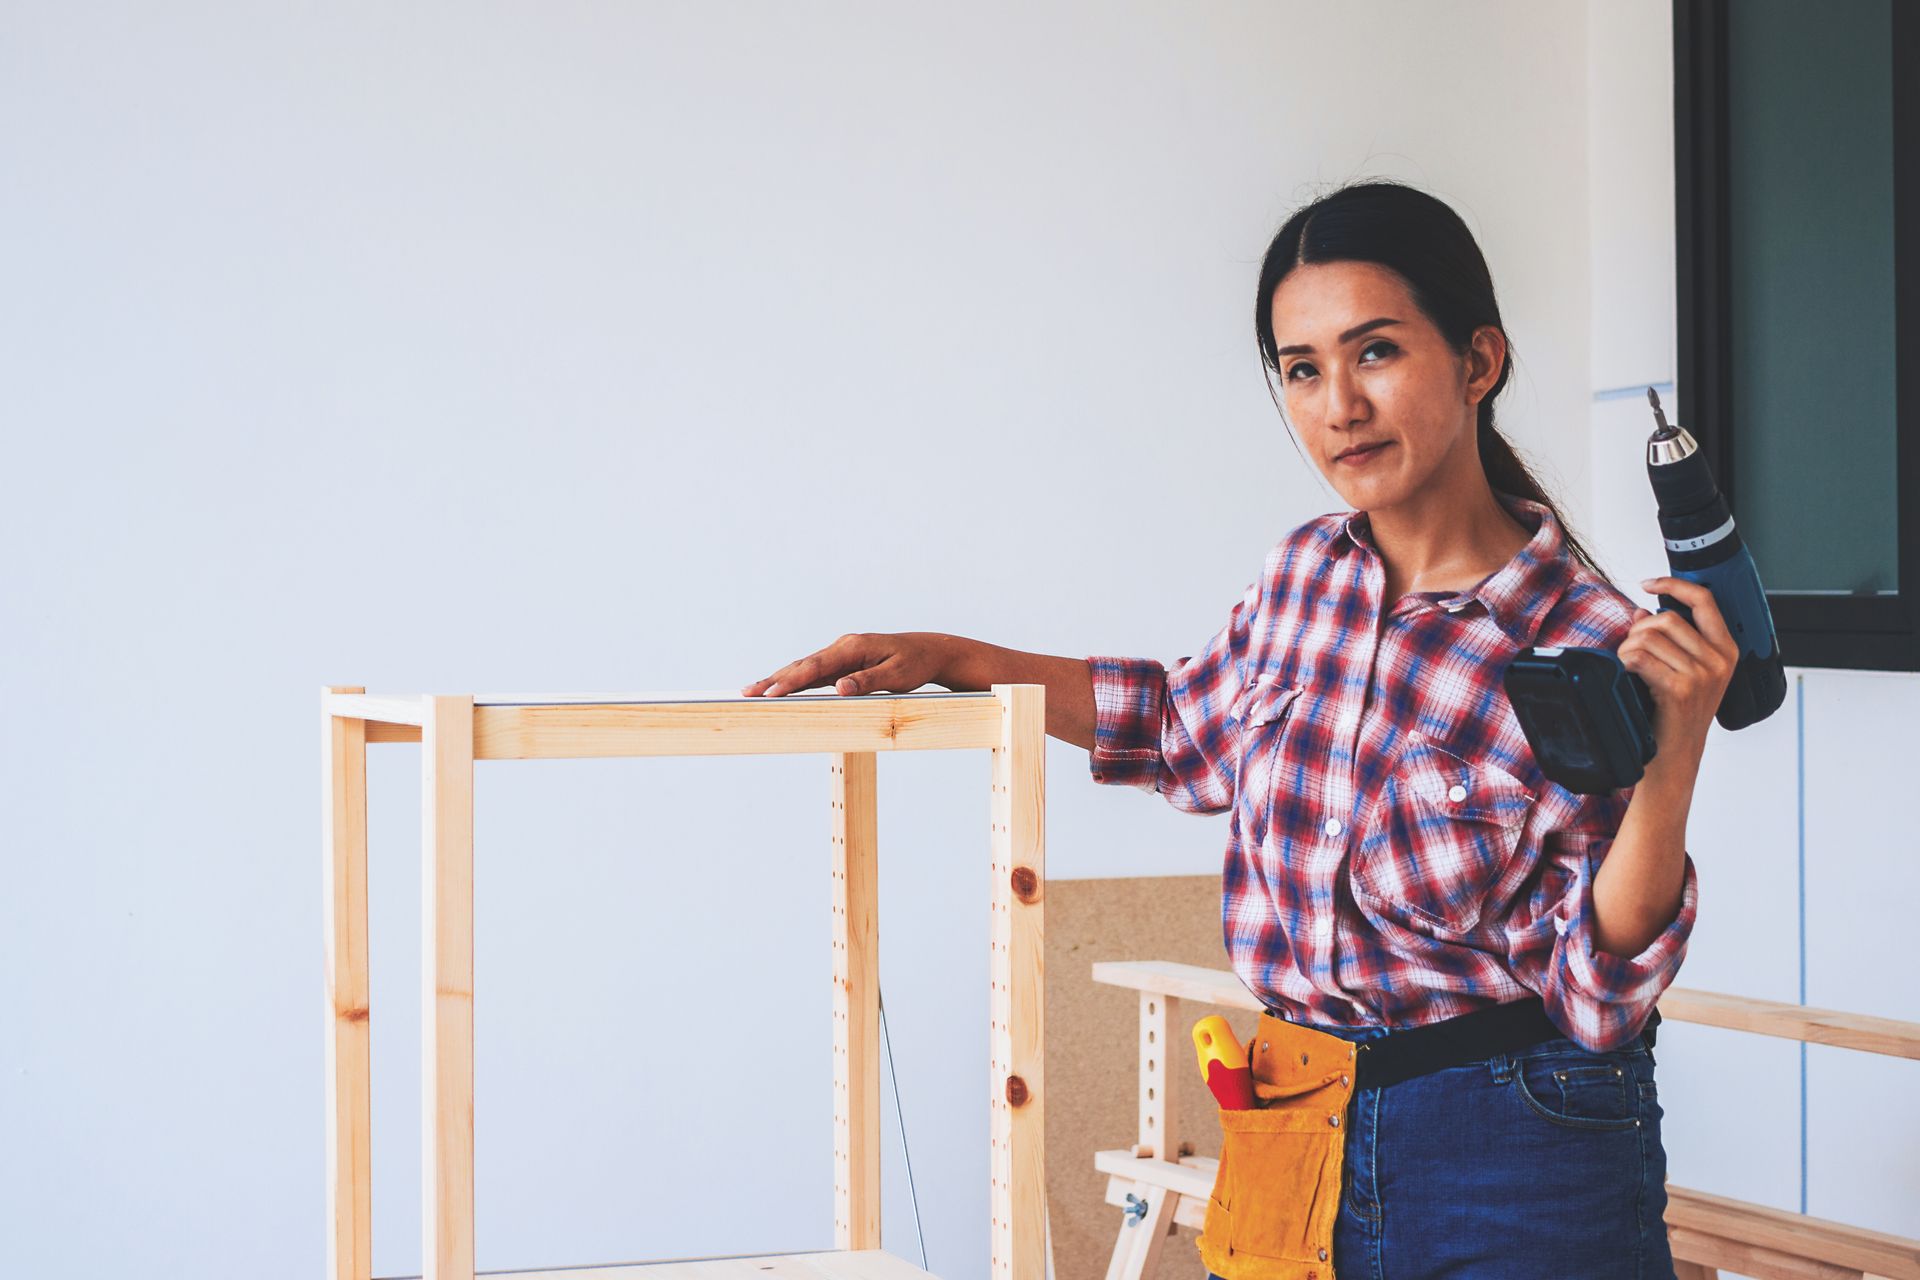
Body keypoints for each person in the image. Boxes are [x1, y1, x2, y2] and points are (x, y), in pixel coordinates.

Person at [741, 179, 1736, 1280]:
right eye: (1302, 368)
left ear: (1479, 360)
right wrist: (955, 656)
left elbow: (1601, 981)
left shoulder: (1591, 640)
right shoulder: (1304, 574)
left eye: (1375, 352)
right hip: (1286, 1110)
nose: (1337, 406)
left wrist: (1676, 748)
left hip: (1512, 1142)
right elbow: (1181, 721)